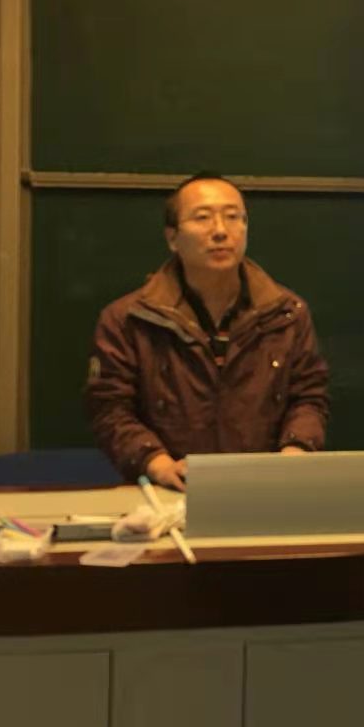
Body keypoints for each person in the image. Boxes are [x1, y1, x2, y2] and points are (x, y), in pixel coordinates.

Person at [86, 172, 329, 489]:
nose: (220, 231)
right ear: (173, 238)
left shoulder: (287, 314)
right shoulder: (128, 319)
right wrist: (157, 464)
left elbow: (309, 397)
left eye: (233, 217)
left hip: (265, 487)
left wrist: (294, 453)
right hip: (167, 490)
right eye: (202, 218)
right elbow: (110, 409)